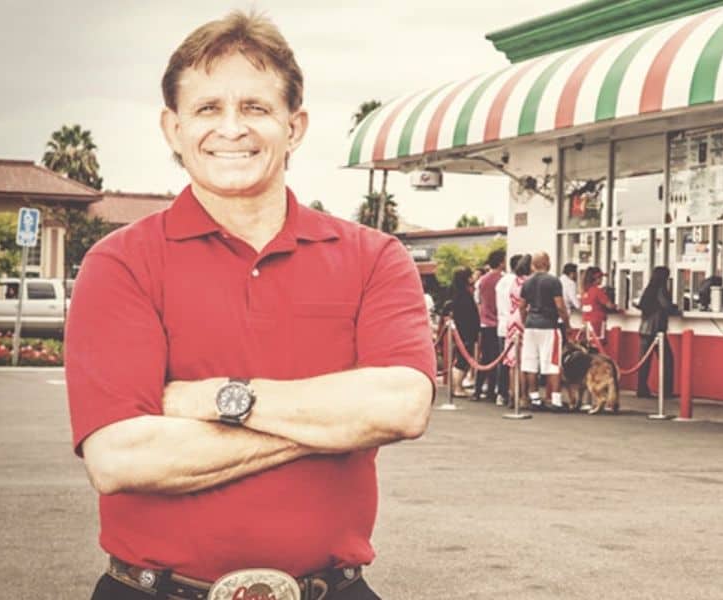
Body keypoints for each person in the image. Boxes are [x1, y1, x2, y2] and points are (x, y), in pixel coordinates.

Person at [65, 12, 433, 600]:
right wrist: (337, 424)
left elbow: (402, 406)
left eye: (256, 108)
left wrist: (213, 399)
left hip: (329, 589)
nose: (231, 129)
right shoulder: (121, 263)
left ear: (295, 125)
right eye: (208, 108)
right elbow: (120, 457)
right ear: (173, 127)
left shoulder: (374, 256)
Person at [519, 252, 569, 409]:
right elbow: (560, 306)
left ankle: (534, 398)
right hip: (549, 325)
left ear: (533, 264)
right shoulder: (553, 281)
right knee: (553, 363)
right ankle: (555, 399)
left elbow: (522, 306)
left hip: (530, 325)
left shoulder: (527, 283)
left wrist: (524, 321)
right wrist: (567, 323)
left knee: (530, 363)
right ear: (547, 263)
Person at [635, 266, 679, 399]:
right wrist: (675, 308)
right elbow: (666, 306)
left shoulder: (649, 289)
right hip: (656, 330)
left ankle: (641, 389)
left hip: (644, 330)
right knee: (667, 361)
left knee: (644, 361)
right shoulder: (661, 289)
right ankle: (666, 391)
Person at [442, 268, 479, 397]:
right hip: (466, 331)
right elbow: (471, 315)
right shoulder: (465, 296)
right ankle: (457, 387)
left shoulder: (454, 293)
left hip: (459, 330)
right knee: (463, 360)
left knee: (460, 359)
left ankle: (456, 386)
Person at [474, 249, 505, 400]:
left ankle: (478, 389)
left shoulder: (481, 281)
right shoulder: (503, 279)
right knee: (497, 358)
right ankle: (492, 390)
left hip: (485, 322)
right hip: (497, 323)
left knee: (485, 358)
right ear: (501, 263)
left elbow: (478, 301)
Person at [494, 254, 522, 405]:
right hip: (515, 325)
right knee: (515, 362)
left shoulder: (501, 282)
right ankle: (515, 393)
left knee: (503, 361)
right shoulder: (517, 282)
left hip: (502, 323)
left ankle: (502, 393)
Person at [503, 254, 531, 400]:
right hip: (523, 318)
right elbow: (525, 304)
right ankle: (523, 396)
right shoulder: (528, 282)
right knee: (523, 361)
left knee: (513, 361)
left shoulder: (514, 281)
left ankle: (512, 393)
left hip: (512, 318)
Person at [579, 266, 617, 341]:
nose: (602, 279)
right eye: (601, 277)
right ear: (596, 278)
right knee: (598, 344)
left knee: (589, 344)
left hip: (586, 323)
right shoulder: (597, 291)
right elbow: (609, 305)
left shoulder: (584, 291)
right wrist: (615, 306)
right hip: (597, 323)